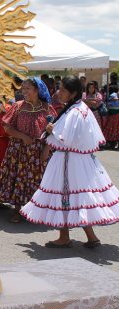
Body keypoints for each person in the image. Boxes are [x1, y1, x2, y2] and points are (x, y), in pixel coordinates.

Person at [21, 76, 119, 248]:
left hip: (68, 159)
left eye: (63, 90)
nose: (59, 92)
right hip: (77, 160)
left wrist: (52, 130)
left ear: (73, 93)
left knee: (64, 194)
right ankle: (91, 237)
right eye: (59, 88)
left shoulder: (75, 111)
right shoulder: (78, 108)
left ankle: (65, 237)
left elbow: (67, 139)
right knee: (78, 196)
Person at [0, 77, 57, 223]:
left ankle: (37, 210)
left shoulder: (47, 108)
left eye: (27, 88)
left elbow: (55, 131)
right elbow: (7, 127)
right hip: (18, 150)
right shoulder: (18, 106)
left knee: (37, 180)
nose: (23, 91)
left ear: (37, 90)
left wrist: (47, 148)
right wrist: (23, 137)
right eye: (23, 88)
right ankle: (18, 210)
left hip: (39, 152)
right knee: (18, 178)